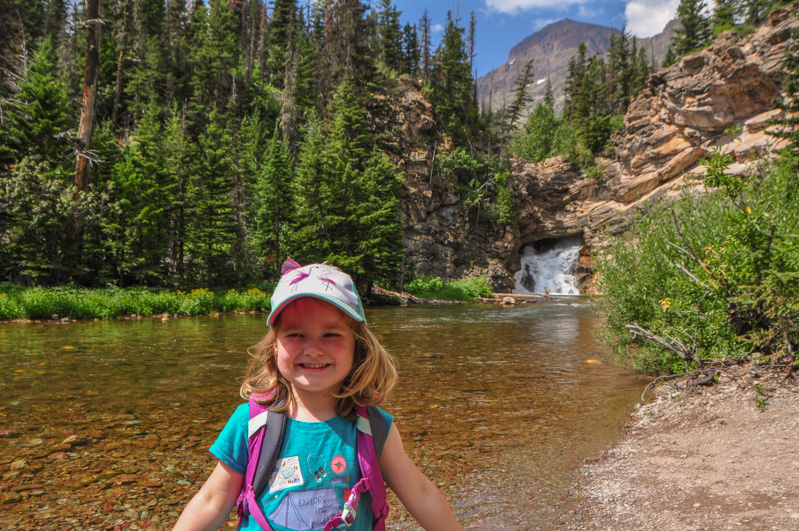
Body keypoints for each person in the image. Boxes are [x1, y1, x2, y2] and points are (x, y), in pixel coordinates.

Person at [175, 259, 463, 531]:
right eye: (295, 334)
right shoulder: (250, 423)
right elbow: (211, 502)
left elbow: (422, 495)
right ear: (274, 346)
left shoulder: (374, 428)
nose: (312, 349)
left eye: (331, 335)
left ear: (358, 347)